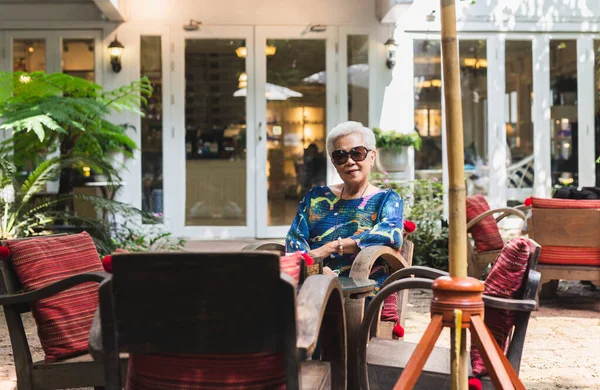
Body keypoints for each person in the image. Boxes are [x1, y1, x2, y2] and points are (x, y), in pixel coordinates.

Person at [285, 121, 404, 323]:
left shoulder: (386, 199)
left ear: (372, 157)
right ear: (333, 162)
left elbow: (390, 234)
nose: (349, 161)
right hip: (313, 282)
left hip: (361, 287)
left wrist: (332, 247)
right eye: (341, 156)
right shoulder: (315, 197)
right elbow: (294, 240)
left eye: (357, 153)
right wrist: (319, 271)